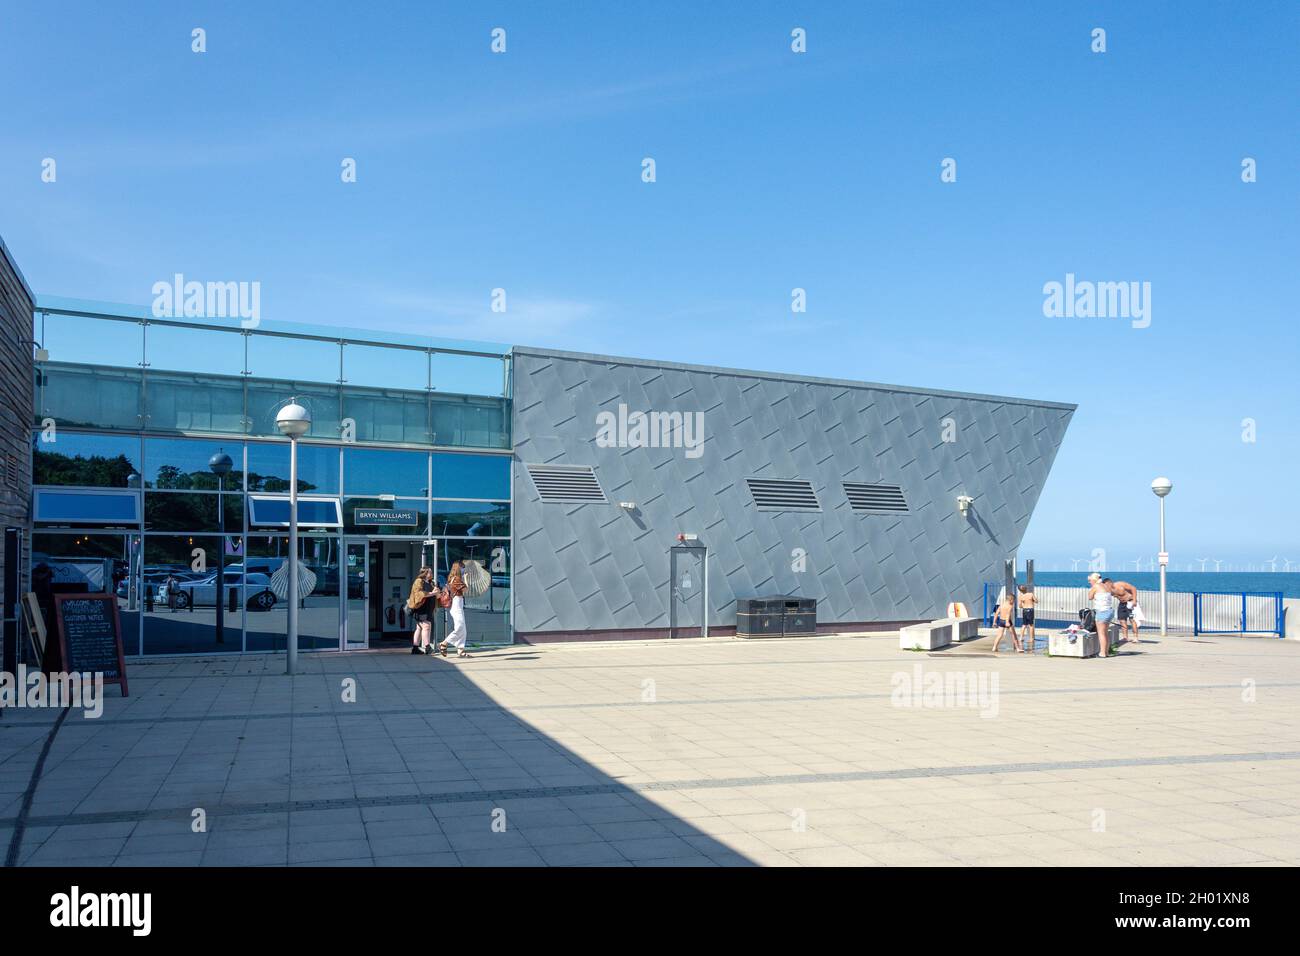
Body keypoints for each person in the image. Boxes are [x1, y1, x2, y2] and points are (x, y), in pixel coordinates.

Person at [438, 562, 469, 659]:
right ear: (458, 569)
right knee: (460, 627)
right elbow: (466, 590)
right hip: (456, 605)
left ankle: (460, 649)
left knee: (463, 628)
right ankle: (444, 643)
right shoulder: (456, 579)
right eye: (462, 568)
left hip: (456, 605)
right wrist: (466, 578)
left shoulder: (452, 578)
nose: (464, 570)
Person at [408, 567, 436, 655]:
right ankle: (427, 647)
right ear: (424, 573)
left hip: (428, 609)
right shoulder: (419, 581)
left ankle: (415, 648)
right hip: (421, 608)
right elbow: (418, 594)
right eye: (430, 572)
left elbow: (434, 595)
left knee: (419, 628)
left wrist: (438, 592)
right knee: (426, 626)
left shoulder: (431, 583)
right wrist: (432, 593)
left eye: (431, 572)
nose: (431, 574)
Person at [1088, 573, 1115, 657]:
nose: (1089, 582)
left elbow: (1090, 597)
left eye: (1090, 580)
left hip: (1102, 612)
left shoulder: (1096, 586)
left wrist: (1091, 589)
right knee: (1105, 633)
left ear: (1094, 580)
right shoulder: (1105, 586)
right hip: (1109, 611)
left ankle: (1102, 653)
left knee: (1101, 633)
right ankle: (1106, 652)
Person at [1109, 579, 1140, 646]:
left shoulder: (1120, 584)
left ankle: (1135, 637)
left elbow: (1133, 588)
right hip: (1122, 603)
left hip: (1130, 602)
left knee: (1132, 620)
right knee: (1122, 620)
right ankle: (1125, 637)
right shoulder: (1109, 590)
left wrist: (1134, 600)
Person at [1017, 585, 1037, 653]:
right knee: (1031, 625)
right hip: (1030, 609)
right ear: (1026, 588)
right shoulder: (1031, 594)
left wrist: (1024, 604)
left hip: (1024, 610)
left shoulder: (1020, 596)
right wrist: (1032, 601)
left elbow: (1019, 606)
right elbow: (1036, 601)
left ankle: (1021, 637)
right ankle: (1031, 638)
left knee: (1024, 625)